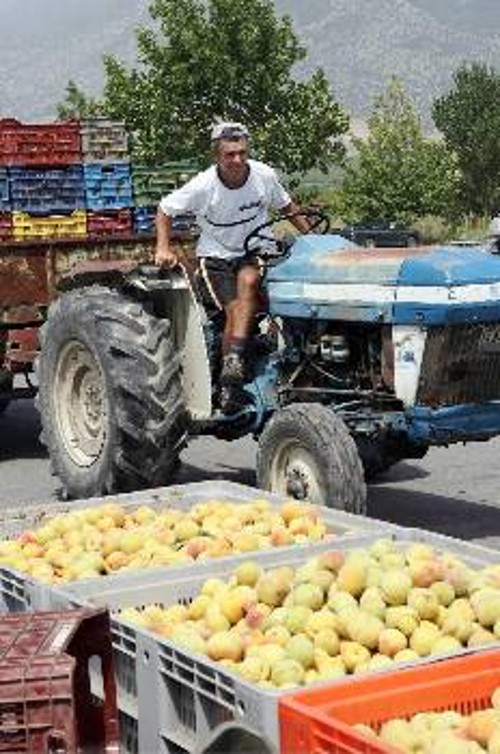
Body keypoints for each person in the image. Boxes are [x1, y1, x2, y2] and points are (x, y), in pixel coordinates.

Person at [155, 121, 311, 409]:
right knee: (239, 305)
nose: (237, 160)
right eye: (230, 154)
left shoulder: (263, 175)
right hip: (217, 258)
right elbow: (165, 209)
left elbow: (288, 208)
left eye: (242, 152)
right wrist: (163, 247)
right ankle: (230, 379)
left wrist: (315, 241)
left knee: (260, 286)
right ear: (218, 156)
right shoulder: (204, 185)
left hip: (257, 253)